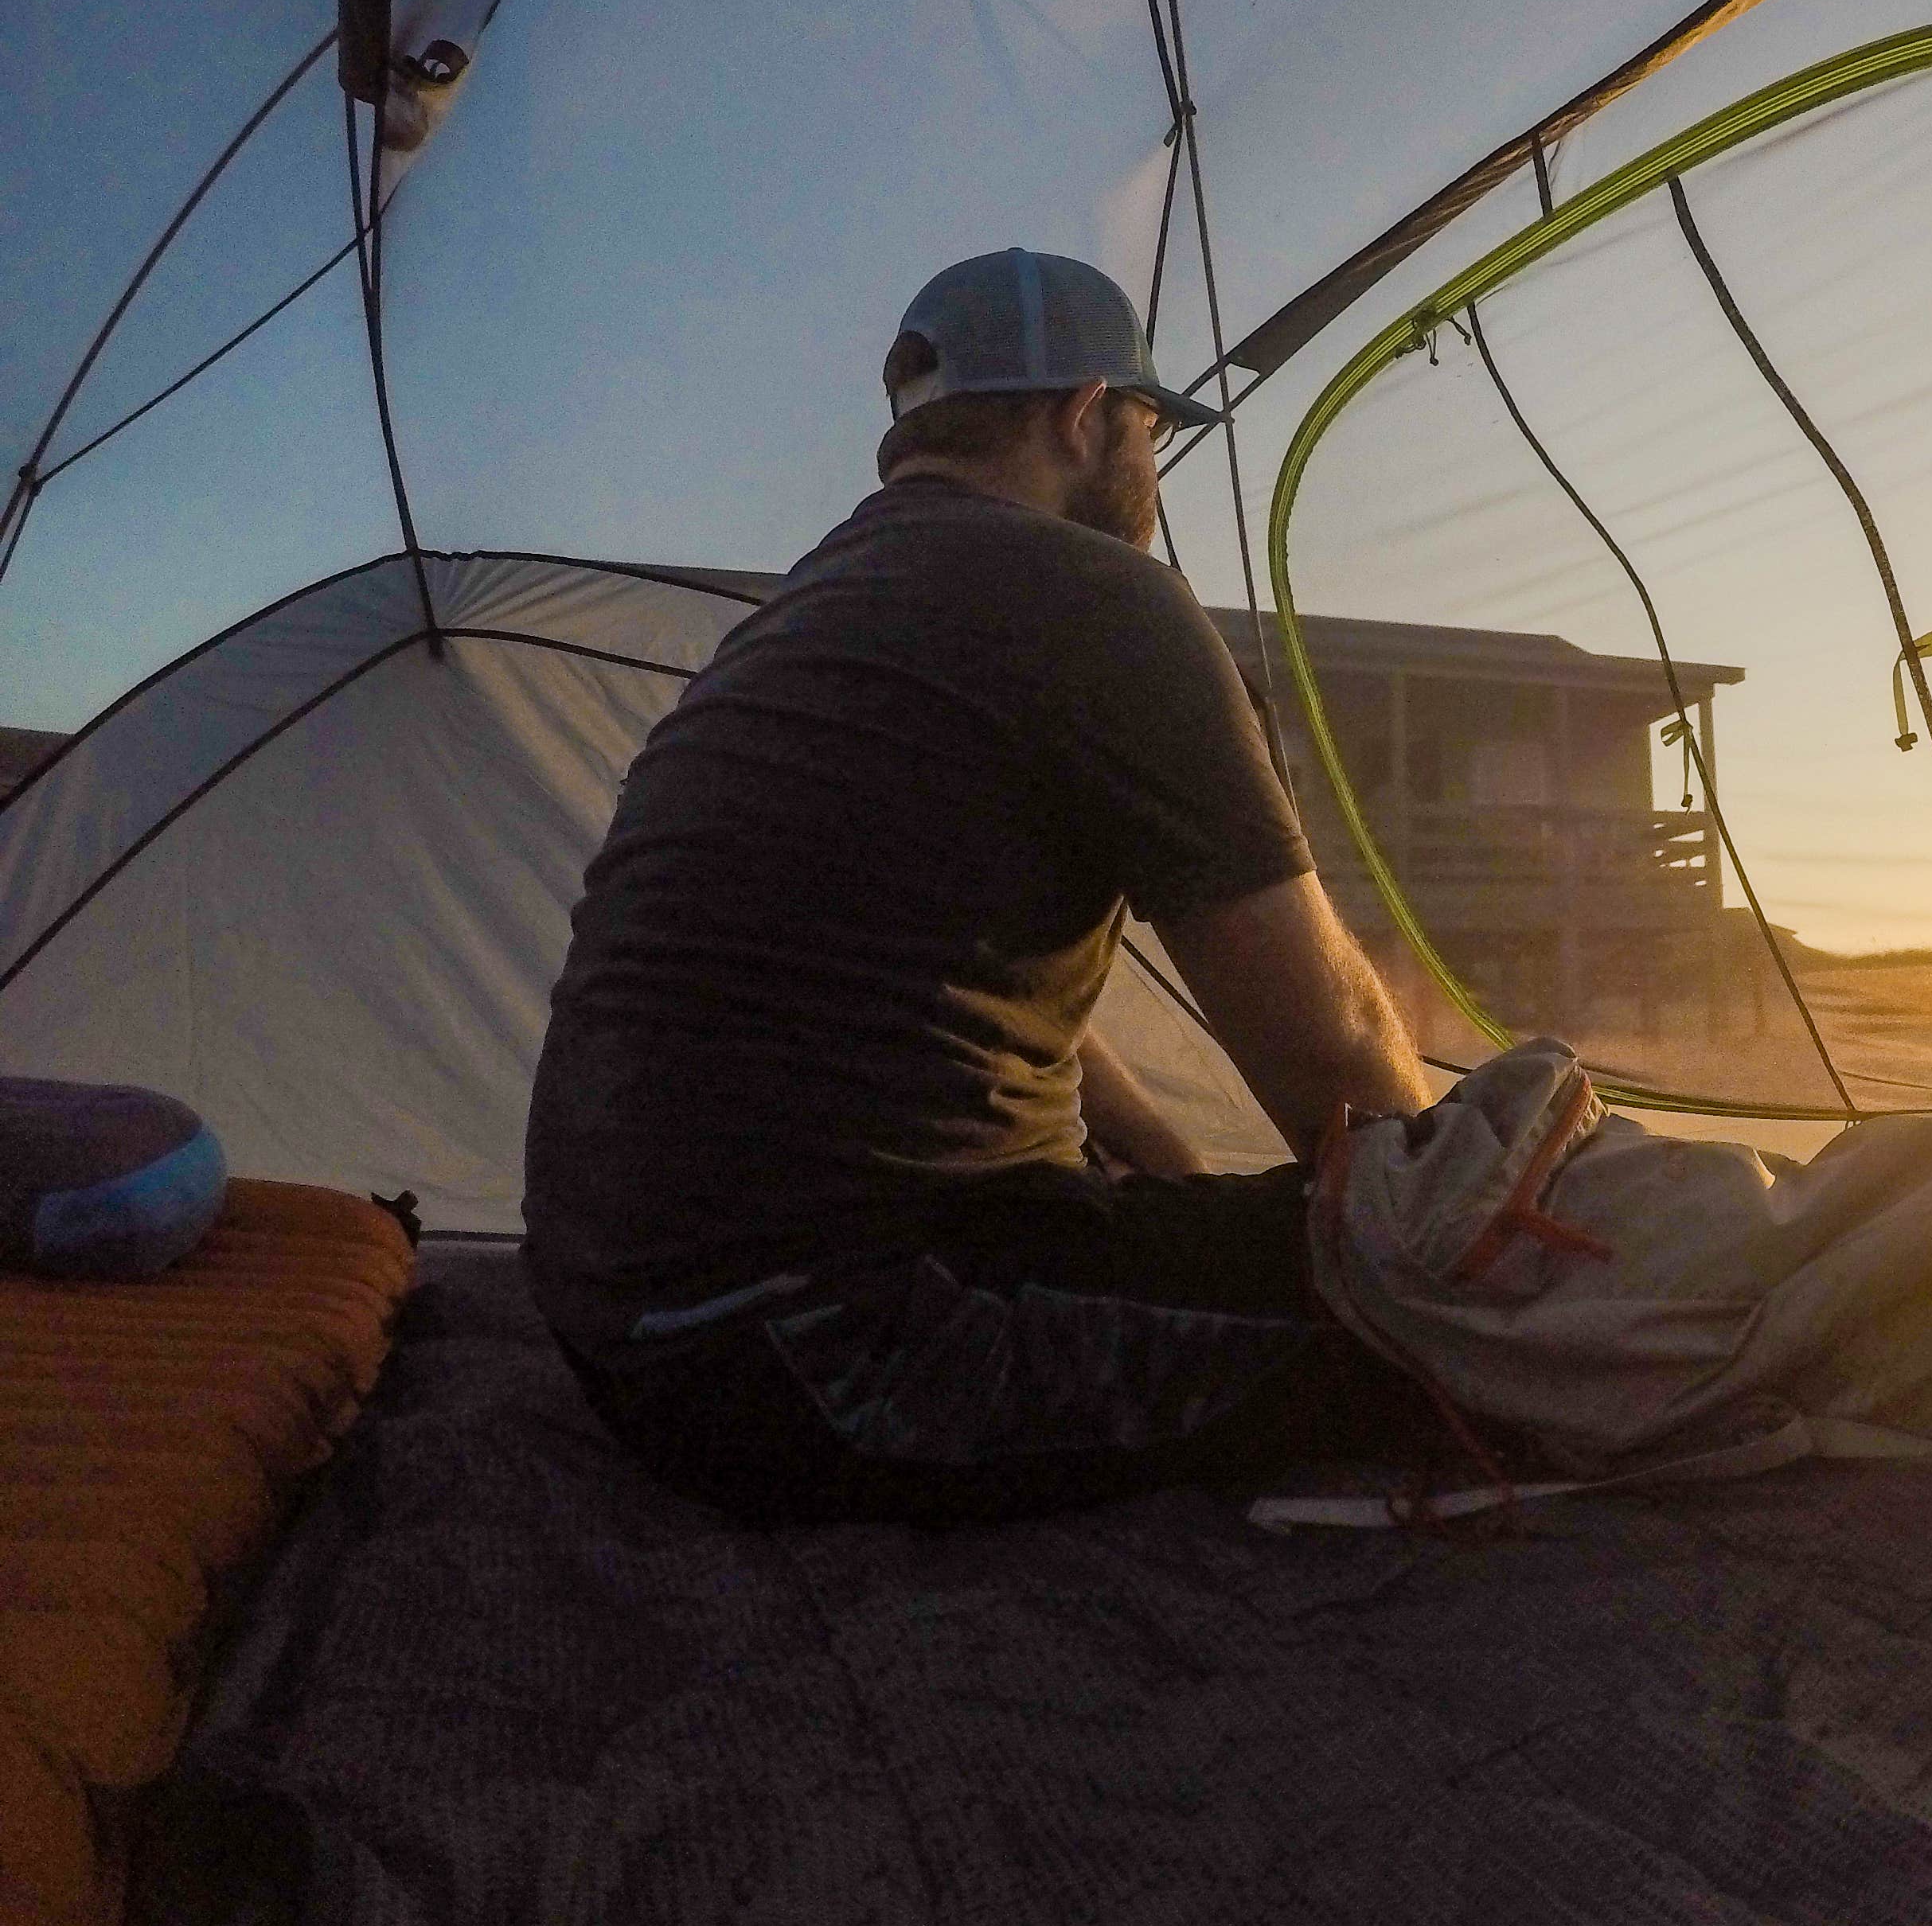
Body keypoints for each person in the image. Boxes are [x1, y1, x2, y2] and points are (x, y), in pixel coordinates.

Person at [521, 249, 1439, 1526]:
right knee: (1485, 1339)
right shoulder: (1101, 598)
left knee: (1249, 1239)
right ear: (1082, 416)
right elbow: (1332, 1051)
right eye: (1146, 431)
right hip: (818, 1348)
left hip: (629, 1317)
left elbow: (951, 982)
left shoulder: (805, 614)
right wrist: (1459, 1245)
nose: (1151, 476)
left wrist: (1176, 1192)